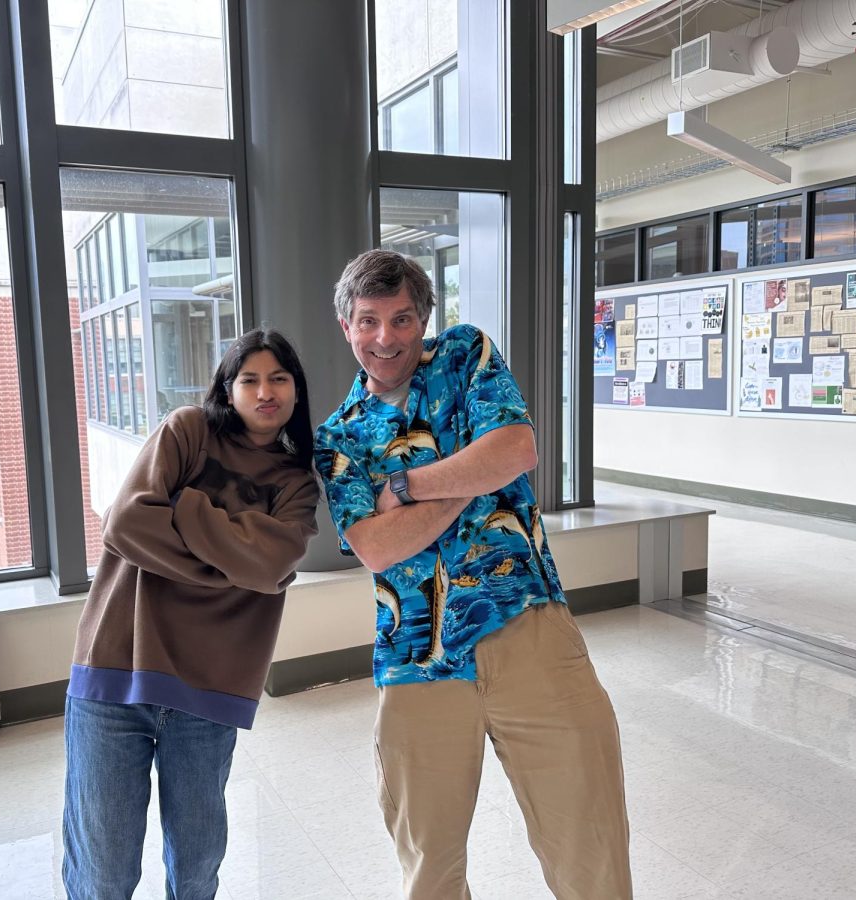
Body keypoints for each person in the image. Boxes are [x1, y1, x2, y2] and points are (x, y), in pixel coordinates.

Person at [315, 250, 632, 899]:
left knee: (590, 846)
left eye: (402, 319)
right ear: (346, 324)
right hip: (417, 658)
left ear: (424, 320)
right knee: (429, 870)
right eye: (368, 320)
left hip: (529, 628)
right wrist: (474, 470)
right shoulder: (339, 437)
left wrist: (402, 483)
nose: (385, 338)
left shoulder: (465, 356)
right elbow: (376, 548)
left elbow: (517, 450)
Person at [62, 328, 320, 900]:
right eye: (248, 378)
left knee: (197, 870)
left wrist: (186, 507)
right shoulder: (187, 431)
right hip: (116, 671)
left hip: (210, 691)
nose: (264, 390)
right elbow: (125, 524)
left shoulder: (298, 482)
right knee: (102, 871)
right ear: (227, 391)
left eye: (278, 377)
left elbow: (273, 561)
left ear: (297, 391)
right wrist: (235, 562)